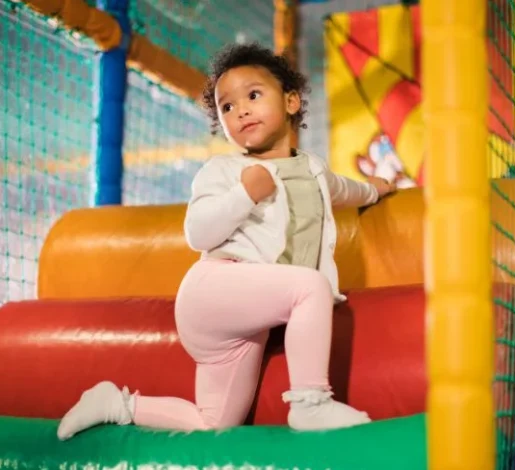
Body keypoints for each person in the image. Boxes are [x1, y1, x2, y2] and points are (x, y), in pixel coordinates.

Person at [57, 42, 397, 440]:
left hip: (248, 321)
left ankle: (116, 404)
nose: (241, 111)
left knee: (215, 423)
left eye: (253, 95)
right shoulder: (224, 170)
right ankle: (310, 403)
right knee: (311, 287)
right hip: (213, 294)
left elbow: (344, 190)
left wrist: (377, 189)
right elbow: (197, 233)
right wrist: (243, 195)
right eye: (228, 107)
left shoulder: (313, 169)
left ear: (290, 102)